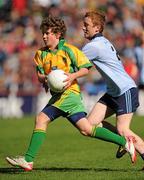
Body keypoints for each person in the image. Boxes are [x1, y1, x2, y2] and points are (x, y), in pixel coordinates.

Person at [6, 14, 135, 171]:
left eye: (48, 33)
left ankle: (28, 160)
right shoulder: (40, 54)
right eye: (43, 33)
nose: (44, 36)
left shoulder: (70, 50)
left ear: (58, 34)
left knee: (41, 119)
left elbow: (85, 68)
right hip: (59, 95)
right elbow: (40, 74)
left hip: (69, 94)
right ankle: (124, 142)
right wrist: (45, 79)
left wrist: (72, 76)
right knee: (86, 129)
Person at [81, 10, 144, 165]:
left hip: (125, 90)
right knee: (89, 125)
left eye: (86, 25)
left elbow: (74, 62)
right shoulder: (102, 42)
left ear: (96, 28)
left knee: (123, 129)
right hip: (113, 92)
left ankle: (132, 144)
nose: (83, 28)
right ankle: (123, 141)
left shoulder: (94, 46)